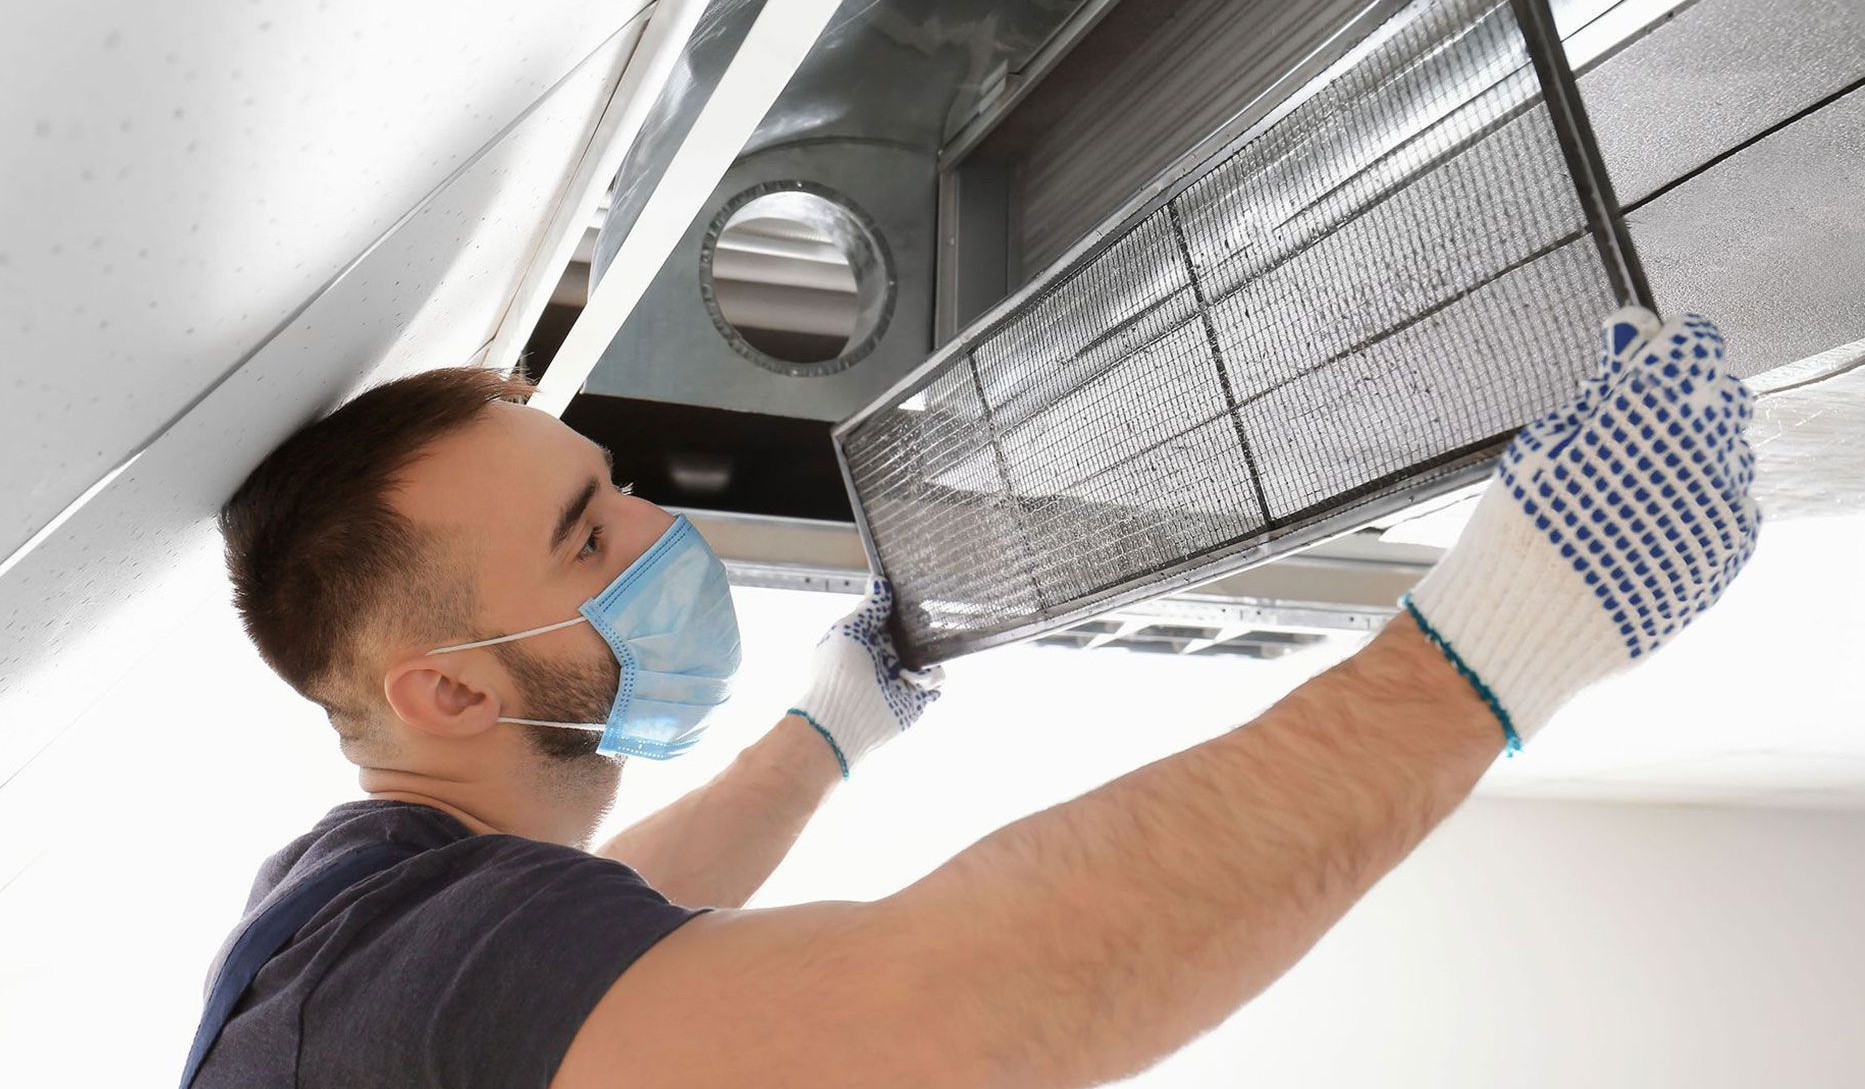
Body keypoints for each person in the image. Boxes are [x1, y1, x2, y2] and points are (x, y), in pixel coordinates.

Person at [188, 305, 1759, 1088]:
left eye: (623, 486)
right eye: (587, 534)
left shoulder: (360, 921)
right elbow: (963, 1001)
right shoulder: (387, 964)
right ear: (450, 691)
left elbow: (607, 931)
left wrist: (831, 733)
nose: (660, 531)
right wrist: (1491, 652)